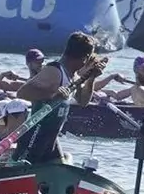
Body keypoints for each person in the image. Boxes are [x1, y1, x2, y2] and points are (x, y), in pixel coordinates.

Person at [15, 32, 107, 162]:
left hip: (51, 139)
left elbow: (83, 101)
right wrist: (53, 94)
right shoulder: (54, 71)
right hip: (34, 138)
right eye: (90, 58)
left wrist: (91, 78)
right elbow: (22, 93)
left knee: (64, 165)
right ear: (85, 57)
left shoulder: (73, 76)